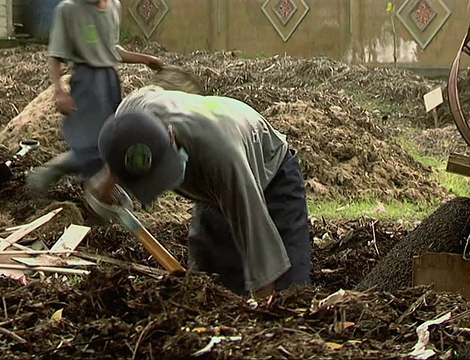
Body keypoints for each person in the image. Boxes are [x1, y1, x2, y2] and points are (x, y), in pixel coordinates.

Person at [87, 85, 312, 298]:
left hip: (269, 169)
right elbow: (120, 140)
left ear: (171, 136)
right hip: (211, 185)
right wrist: (107, 183)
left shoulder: (224, 161)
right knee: (207, 289)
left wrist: (268, 319)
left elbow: (258, 243)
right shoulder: (132, 113)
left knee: (288, 292)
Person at [27, 0, 164, 191]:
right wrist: (59, 92)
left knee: (109, 140)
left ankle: (95, 187)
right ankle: (48, 173)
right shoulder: (69, 10)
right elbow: (56, 55)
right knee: (92, 144)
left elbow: (112, 49)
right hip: (86, 82)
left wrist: (147, 60)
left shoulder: (114, 6)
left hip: (109, 82)